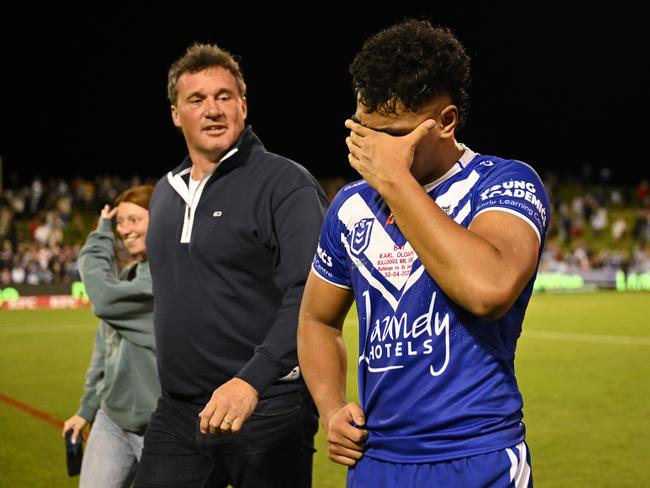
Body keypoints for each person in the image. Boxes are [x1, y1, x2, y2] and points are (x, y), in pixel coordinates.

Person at [297, 19, 550, 487]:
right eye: (362, 131)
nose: (371, 150)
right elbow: (316, 320)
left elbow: (488, 289)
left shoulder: (503, 184)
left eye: (391, 135)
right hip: (375, 462)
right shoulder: (351, 206)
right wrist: (331, 408)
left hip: (477, 457)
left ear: (447, 121)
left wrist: (395, 182)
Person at [134, 43, 328, 488]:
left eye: (224, 96)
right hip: (179, 412)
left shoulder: (285, 183)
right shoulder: (164, 193)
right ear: (176, 115)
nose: (213, 110)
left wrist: (252, 380)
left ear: (243, 105)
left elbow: (310, 292)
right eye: (197, 100)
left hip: (266, 405)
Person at [63, 184, 159, 487]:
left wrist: (101, 232)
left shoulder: (166, 280)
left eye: (135, 220)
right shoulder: (130, 276)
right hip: (112, 420)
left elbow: (101, 293)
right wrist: (87, 410)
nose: (125, 230)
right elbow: (105, 350)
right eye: (120, 222)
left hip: (158, 429)